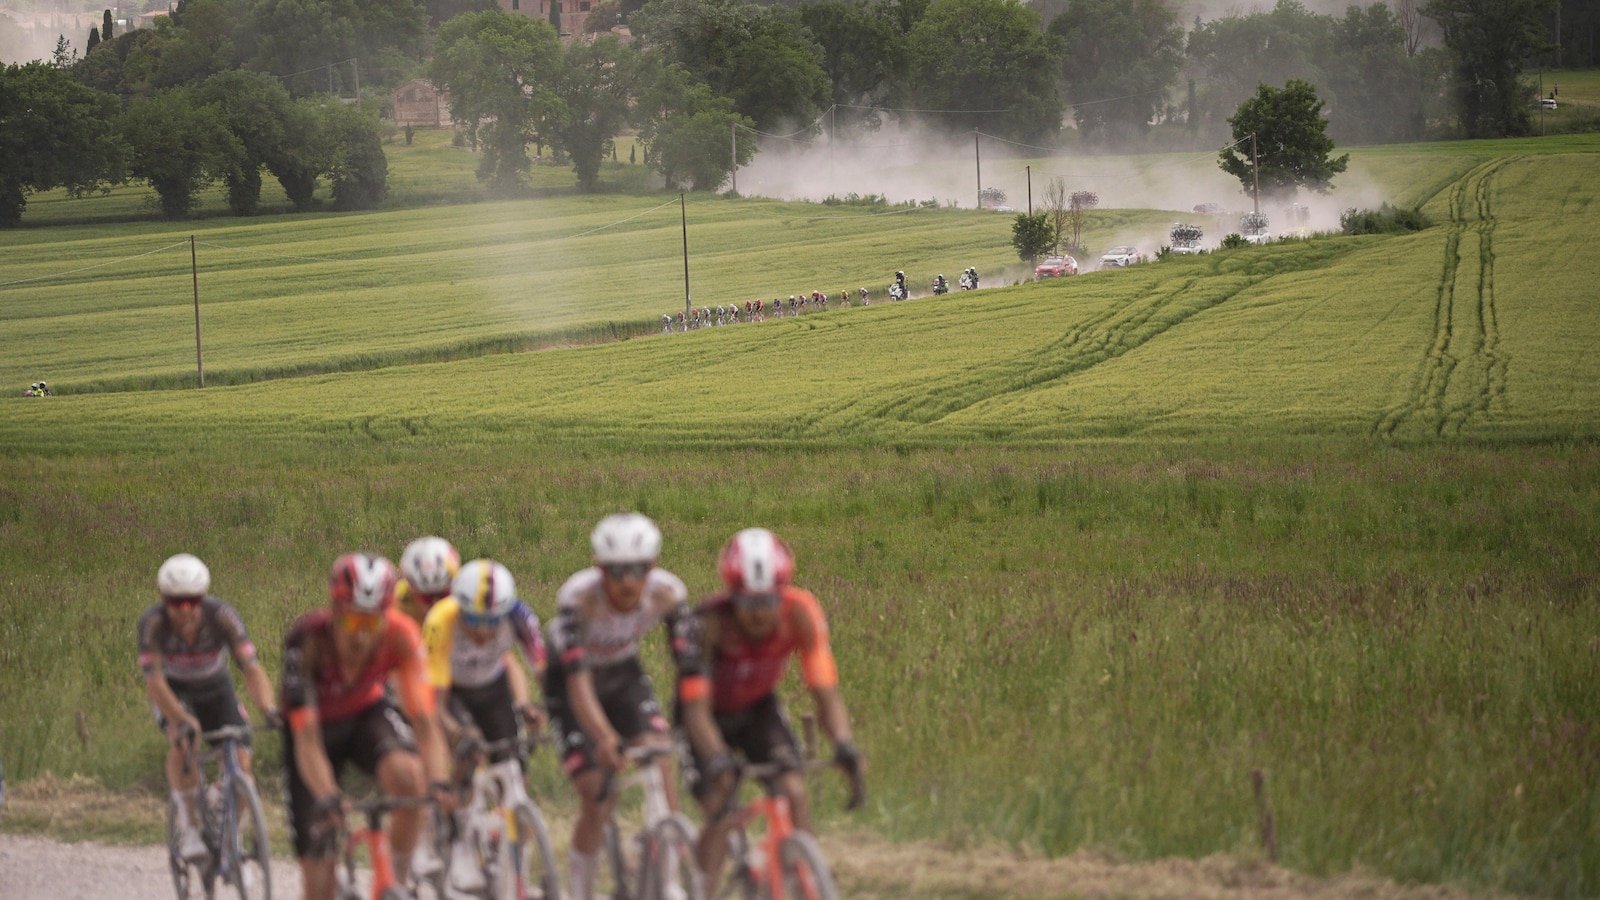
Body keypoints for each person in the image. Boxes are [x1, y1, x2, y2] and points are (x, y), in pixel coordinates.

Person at [678, 528, 865, 889]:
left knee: (793, 791)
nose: (759, 614)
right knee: (721, 805)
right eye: (748, 603)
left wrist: (843, 743)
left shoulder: (801, 613)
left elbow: (825, 692)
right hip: (704, 717)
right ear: (732, 595)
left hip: (757, 709)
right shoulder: (707, 623)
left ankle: (805, 883)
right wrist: (717, 758)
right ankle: (700, 889)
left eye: (768, 601)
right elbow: (696, 709)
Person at [545, 513, 703, 900]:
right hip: (570, 683)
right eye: (617, 572)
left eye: (638, 570)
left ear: (652, 567)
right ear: (601, 570)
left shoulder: (668, 594)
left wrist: (697, 725)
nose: (628, 581)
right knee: (597, 793)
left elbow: (690, 669)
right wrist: (604, 737)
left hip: (621, 674)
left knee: (660, 755)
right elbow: (578, 684)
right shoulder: (578, 599)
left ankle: (666, 877)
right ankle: (580, 889)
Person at [281, 553, 453, 900]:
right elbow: (307, 740)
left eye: (372, 624)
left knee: (411, 777)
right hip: (315, 733)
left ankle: (395, 881)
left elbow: (423, 718)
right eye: (353, 623)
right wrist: (329, 796)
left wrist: (439, 783)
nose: (361, 637)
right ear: (336, 610)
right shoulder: (307, 640)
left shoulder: (400, 634)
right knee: (318, 881)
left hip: (364, 715)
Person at [139, 553, 280, 863]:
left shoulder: (223, 616)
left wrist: (269, 708)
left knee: (242, 761)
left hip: (216, 688)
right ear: (165, 600)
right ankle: (190, 826)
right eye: (177, 602)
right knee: (183, 742)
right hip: (174, 692)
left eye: (193, 600)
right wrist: (180, 718)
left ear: (202, 598)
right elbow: (156, 683)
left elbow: (251, 667)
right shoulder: (153, 625)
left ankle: (230, 827)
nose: (185, 609)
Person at [423, 559, 547, 892]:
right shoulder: (441, 620)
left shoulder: (520, 616)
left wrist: (538, 708)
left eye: (491, 621)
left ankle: (516, 870)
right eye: (473, 620)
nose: (482, 630)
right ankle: (461, 845)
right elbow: (433, 702)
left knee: (514, 774)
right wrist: (455, 732)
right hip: (454, 693)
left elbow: (543, 668)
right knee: (469, 750)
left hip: (493, 691)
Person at [397, 536, 461, 628]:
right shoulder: (396, 600)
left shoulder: (467, 597)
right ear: (410, 589)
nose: (435, 604)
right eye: (427, 598)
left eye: (443, 595)